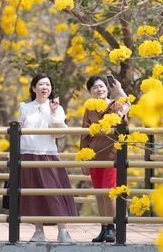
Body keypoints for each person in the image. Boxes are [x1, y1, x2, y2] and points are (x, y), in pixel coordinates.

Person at [18, 73, 77, 243]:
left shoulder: (57, 108)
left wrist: (53, 113)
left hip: (48, 154)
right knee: (33, 194)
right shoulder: (25, 107)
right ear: (33, 87)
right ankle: (38, 231)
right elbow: (18, 130)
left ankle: (63, 231)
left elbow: (58, 134)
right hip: (28, 154)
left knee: (55, 193)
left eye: (48, 85)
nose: (45, 87)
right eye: (41, 84)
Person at [79, 75, 130, 243]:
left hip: (112, 155)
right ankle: (103, 227)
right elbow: (84, 134)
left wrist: (120, 92)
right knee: (99, 194)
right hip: (94, 156)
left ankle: (112, 227)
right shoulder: (89, 109)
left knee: (109, 193)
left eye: (101, 86)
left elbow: (125, 113)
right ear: (90, 92)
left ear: (107, 89)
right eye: (94, 87)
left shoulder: (115, 105)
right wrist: (84, 158)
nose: (99, 89)